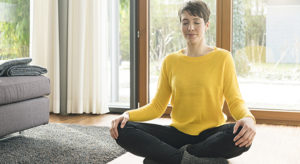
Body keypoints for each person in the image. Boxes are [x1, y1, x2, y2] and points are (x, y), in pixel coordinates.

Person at [110, 1, 256, 164]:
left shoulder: (223, 58)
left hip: (211, 135)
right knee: (123, 129)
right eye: (185, 22)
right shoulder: (170, 61)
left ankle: (168, 158)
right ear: (180, 25)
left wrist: (248, 118)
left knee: (242, 134)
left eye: (196, 22)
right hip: (176, 134)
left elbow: (235, 101)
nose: (190, 28)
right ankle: (194, 160)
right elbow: (157, 107)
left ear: (207, 25)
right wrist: (127, 115)